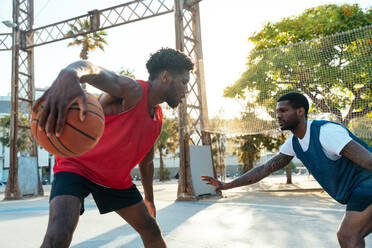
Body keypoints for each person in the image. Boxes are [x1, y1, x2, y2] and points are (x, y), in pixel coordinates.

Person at [34, 48, 193, 248]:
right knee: (59, 234)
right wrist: (69, 74)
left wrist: (149, 199)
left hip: (114, 180)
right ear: (165, 77)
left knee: (151, 230)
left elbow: (147, 160)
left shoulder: (157, 117)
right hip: (76, 167)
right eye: (184, 82)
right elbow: (96, 71)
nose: (186, 90)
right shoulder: (132, 91)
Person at [202, 92, 372, 248]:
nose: (278, 115)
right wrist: (226, 185)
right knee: (351, 236)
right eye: (277, 112)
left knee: (348, 235)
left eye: (284, 110)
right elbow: (264, 169)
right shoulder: (294, 143)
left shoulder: (325, 133)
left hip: (367, 185)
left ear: (300, 111)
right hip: (358, 191)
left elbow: (369, 161)